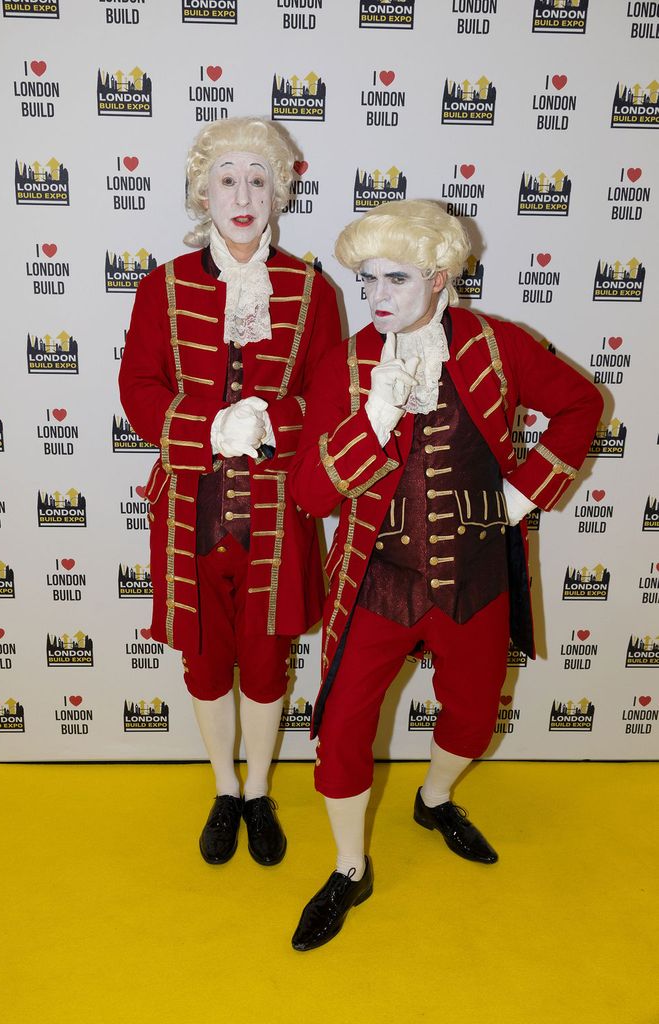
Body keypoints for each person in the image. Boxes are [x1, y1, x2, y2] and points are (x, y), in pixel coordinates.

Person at [288, 199, 603, 950]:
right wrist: (371, 421)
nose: (377, 297)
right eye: (367, 280)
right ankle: (349, 867)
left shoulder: (496, 345)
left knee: (472, 714)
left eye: (395, 278)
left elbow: (580, 405)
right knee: (341, 728)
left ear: (437, 277)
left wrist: (524, 492)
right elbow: (310, 495)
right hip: (379, 579)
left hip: (475, 574)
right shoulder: (345, 365)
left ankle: (432, 800)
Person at [119, 117, 340, 868]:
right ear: (202, 192)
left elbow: (329, 399)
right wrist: (207, 428)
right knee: (205, 660)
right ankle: (223, 787)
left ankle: (259, 791)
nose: (242, 197)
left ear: (278, 191)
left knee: (268, 660)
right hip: (189, 509)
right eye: (226, 180)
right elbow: (138, 388)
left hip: (276, 512)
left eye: (257, 179)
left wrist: (272, 422)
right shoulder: (162, 286)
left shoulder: (312, 289)